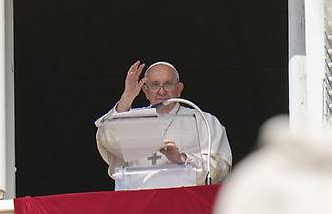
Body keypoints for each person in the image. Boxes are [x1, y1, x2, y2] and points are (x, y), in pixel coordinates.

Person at [95, 60, 232, 190]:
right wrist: (127, 97)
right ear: (145, 90)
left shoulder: (203, 120)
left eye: (167, 84)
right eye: (155, 85)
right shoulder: (130, 118)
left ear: (179, 89)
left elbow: (221, 168)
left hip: (185, 202)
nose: (161, 91)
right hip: (138, 203)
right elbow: (106, 139)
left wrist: (182, 158)